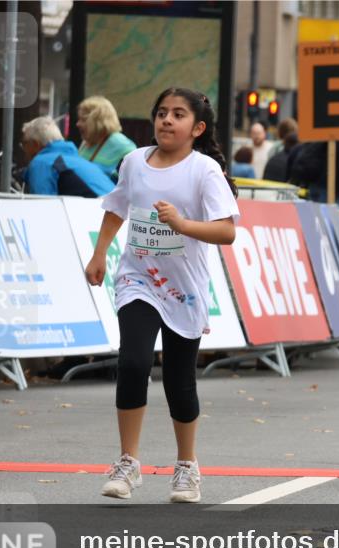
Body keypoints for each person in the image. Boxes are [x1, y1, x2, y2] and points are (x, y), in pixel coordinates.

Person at [85, 87, 239, 503]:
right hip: (138, 277)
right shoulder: (135, 161)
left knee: (178, 380)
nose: (167, 120)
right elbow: (117, 207)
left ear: (198, 127)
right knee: (133, 362)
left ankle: (187, 466)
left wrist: (184, 225)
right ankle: (127, 462)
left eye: (178, 115)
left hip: (183, 288)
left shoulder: (204, 170)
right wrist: (100, 254)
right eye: (161, 113)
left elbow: (227, 230)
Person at [20, 116, 115, 197]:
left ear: (36, 144)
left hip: (98, 214)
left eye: (24, 143)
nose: (22, 148)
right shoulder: (77, 160)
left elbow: (42, 205)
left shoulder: (42, 162)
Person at [76, 95, 137, 182]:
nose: (77, 124)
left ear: (97, 121)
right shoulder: (86, 142)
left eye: (83, 119)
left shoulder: (123, 146)